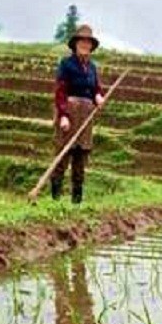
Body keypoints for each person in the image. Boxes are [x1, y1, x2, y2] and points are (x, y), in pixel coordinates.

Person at [50, 24, 105, 204]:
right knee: (63, 155)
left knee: (81, 157)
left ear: (91, 46)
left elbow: (96, 88)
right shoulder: (66, 64)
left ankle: (76, 201)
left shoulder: (92, 68)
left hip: (86, 114)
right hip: (70, 112)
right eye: (82, 41)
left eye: (88, 42)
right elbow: (60, 92)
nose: (85, 45)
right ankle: (55, 198)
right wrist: (63, 115)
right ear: (75, 44)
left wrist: (98, 97)